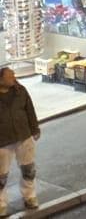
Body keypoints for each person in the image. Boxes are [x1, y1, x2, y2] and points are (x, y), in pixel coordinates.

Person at [0, 66, 38, 211]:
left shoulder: (20, 91)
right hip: (2, 142)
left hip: (24, 136)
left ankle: (30, 197)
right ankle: (1, 204)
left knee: (28, 170)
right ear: (1, 80)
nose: (14, 78)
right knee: (1, 175)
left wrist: (34, 129)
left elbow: (30, 110)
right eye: (10, 77)